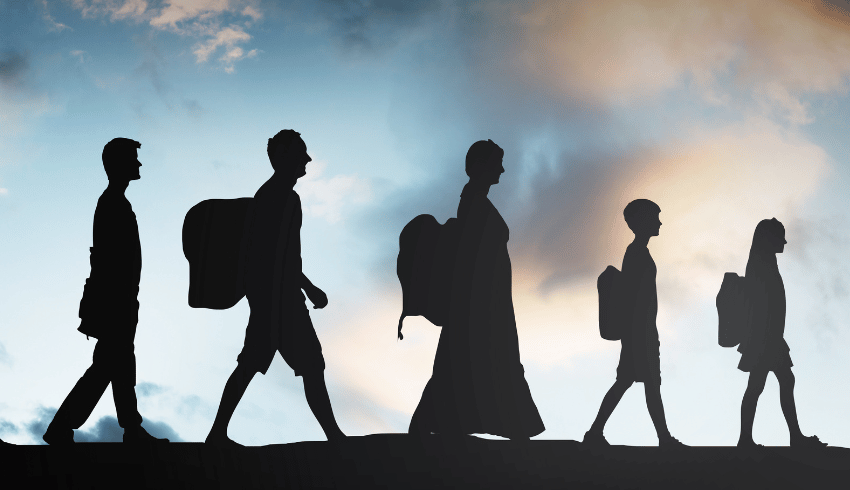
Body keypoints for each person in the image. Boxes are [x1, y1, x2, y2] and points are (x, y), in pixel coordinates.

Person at [205, 130, 345, 445]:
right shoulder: (279, 198)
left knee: (258, 364)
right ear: (283, 155)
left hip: (271, 297)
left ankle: (216, 433)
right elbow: (279, 255)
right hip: (278, 300)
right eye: (301, 153)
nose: (307, 159)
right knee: (306, 364)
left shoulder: (273, 196)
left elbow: (280, 255)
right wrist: (309, 288)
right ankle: (334, 436)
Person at [408, 139, 545, 440]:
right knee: (469, 362)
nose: (503, 169)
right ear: (481, 166)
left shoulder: (474, 200)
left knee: (466, 362)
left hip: (488, 299)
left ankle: (511, 427)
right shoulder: (472, 202)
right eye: (497, 163)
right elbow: (470, 257)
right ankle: (516, 429)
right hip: (480, 302)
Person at [42, 138, 168, 445]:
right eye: (134, 159)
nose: (139, 165)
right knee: (111, 366)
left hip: (121, 299)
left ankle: (128, 428)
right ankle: (71, 427)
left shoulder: (115, 202)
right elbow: (108, 260)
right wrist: (121, 300)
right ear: (119, 164)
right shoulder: (112, 203)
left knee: (117, 365)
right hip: (116, 301)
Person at [583, 199, 685, 449]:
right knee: (648, 383)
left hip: (641, 330)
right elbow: (635, 297)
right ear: (642, 221)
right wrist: (643, 332)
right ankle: (664, 439)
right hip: (640, 332)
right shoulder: (636, 253)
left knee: (629, 382)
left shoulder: (638, 252)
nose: (660, 222)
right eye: (655, 217)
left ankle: (596, 432)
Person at [736, 218, 826, 449]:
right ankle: (764, 438)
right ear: (768, 238)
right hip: (765, 337)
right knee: (766, 384)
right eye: (780, 236)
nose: (784, 241)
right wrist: (768, 335)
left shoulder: (765, 260)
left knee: (766, 384)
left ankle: (759, 438)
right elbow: (763, 302)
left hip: (769, 336)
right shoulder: (761, 262)